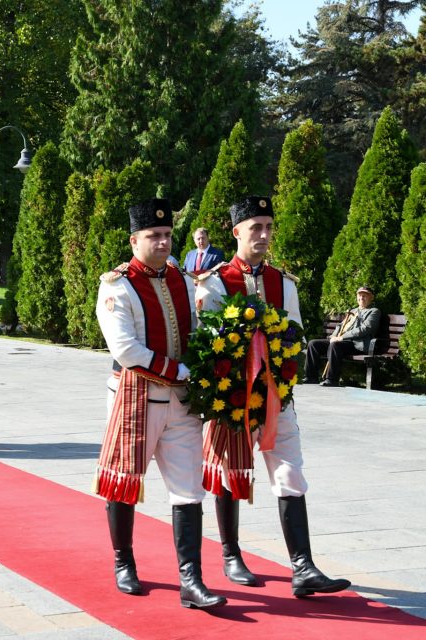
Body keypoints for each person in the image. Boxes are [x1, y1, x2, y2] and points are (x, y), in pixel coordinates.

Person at [195, 195, 351, 597]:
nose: (263, 235)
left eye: (268, 227)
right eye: (255, 228)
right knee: (231, 473)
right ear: (236, 232)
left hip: (277, 397)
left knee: (290, 473)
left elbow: (295, 335)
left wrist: (283, 372)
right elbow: (205, 344)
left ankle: (303, 566)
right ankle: (231, 555)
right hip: (231, 401)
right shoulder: (214, 281)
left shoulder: (283, 282)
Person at [94, 198, 226, 609]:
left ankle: (192, 580)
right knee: (125, 480)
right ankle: (123, 562)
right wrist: (181, 371)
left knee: (190, 490)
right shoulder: (117, 284)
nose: (163, 242)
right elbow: (125, 348)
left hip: (183, 404)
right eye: (154, 236)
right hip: (138, 399)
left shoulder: (183, 279)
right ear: (135, 240)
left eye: (168, 235)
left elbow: (199, 328)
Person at [304, 286, 381, 387]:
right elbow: (340, 326)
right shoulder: (353, 311)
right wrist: (333, 336)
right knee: (313, 344)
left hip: (357, 344)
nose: (361, 298)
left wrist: (342, 337)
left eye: (365, 296)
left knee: (335, 345)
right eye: (360, 295)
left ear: (371, 298)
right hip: (342, 341)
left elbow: (365, 329)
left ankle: (332, 379)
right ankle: (311, 377)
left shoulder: (374, 311)